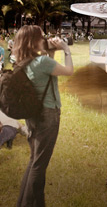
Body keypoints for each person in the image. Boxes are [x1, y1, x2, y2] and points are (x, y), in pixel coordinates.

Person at [13, 25, 74, 206]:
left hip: (33, 116)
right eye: (41, 37)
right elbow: (68, 71)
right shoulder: (42, 63)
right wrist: (66, 49)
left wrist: (51, 52)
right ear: (33, 42)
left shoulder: (24, 62)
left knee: (34, 161)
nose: (44, 40)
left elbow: (47, 73)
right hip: (48, 115)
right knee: (39, 165)